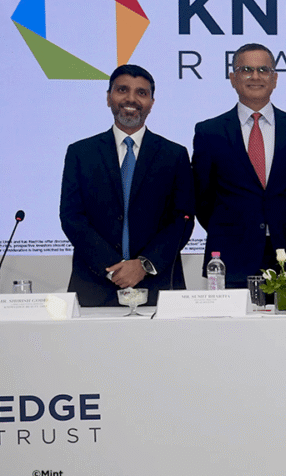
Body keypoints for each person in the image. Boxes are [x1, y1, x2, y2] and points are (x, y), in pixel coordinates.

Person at [59, 65, 195, 306]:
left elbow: (182, 219)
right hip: (94, 285)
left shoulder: (174, 155)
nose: (131, 99)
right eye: (122, 90)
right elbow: (72, 217)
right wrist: (113, 267)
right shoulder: (81, 153)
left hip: (158, 285)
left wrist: (143, 265)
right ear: (109, 97)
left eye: (141, 93)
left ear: (151, 102)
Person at [192, 43, 286, 287]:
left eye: (263, 70)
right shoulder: (209, 132)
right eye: (246, 69)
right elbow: (202, 198)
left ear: (275, 79)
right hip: (230, 257)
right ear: (233, 78)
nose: (255, 76)